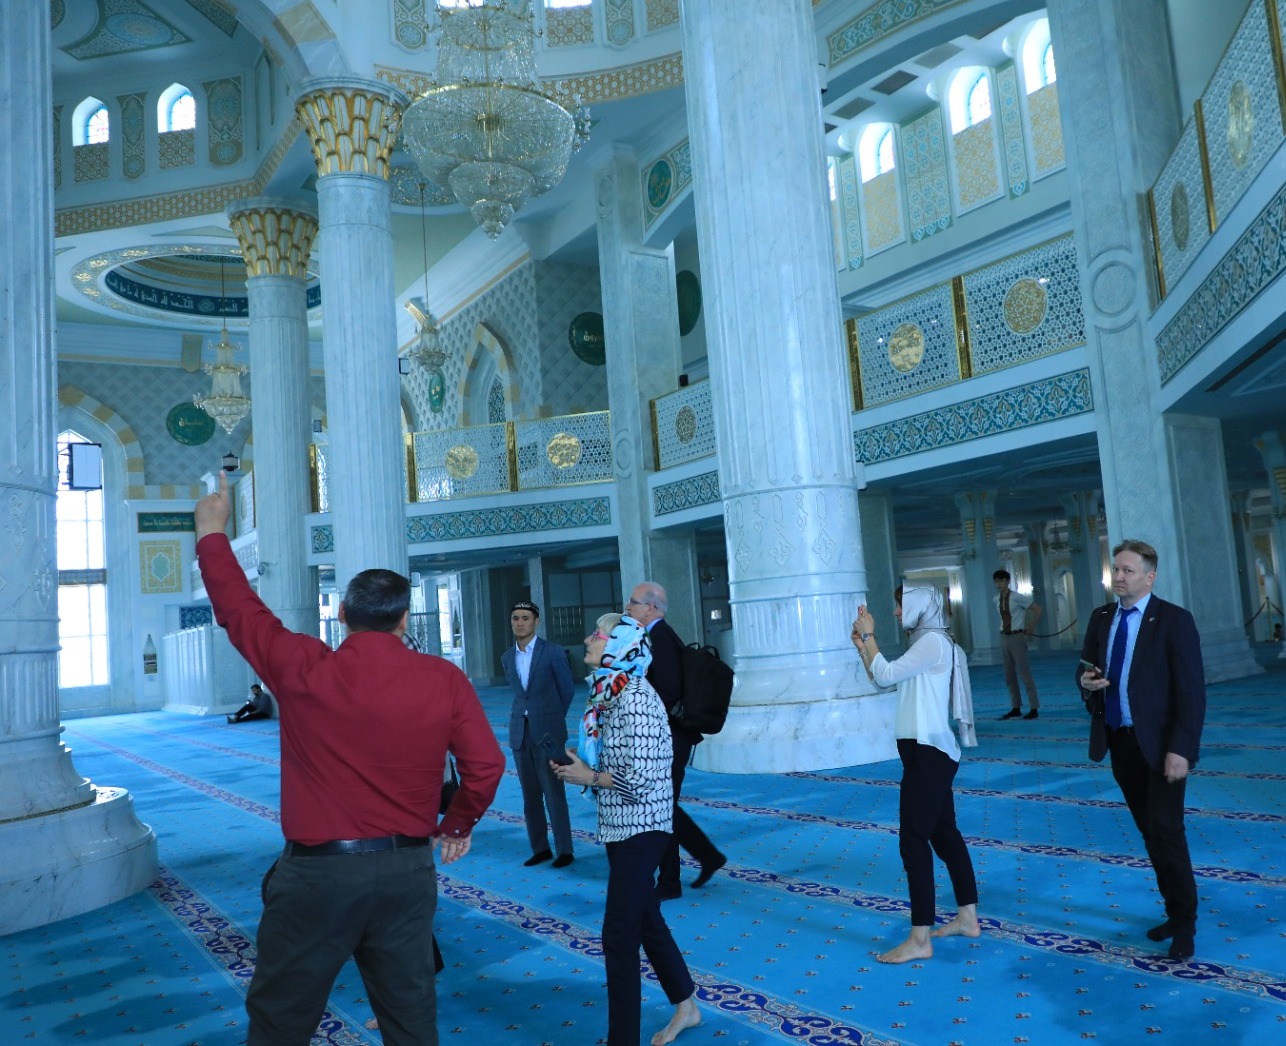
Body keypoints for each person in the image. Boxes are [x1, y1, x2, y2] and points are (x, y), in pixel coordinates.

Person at [194, 471, 506, 1045]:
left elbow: (240, 611)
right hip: (407, 873)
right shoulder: (444, 679)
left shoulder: (305, 669)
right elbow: (486, 767)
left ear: (342, 615)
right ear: (404, 618)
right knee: (411, 1021)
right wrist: (457, 825)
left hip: (318, 875)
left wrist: (212, 534)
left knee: (281, 1022)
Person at [552, 613, 700, 1046]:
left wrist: (589, 777)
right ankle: (686, 1004)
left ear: (620, 646)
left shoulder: (634, 697)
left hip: (643, 827)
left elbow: (642, 779)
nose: (588, 639)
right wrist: (582, 765)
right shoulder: (608, 692)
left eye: (598, 635)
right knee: (646, 919)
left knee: (618, 935)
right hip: (620, 824)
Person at [1077, 539, 1205, 961]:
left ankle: (1184, 924)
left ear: (1149, 577)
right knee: (1150, 832)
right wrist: (1086, 683)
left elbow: (1191, 692)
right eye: (1115, 569)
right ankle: (1173, 911)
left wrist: (1181, 749)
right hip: (1120, 742)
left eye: (1128, 570)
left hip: (1162, 747)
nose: (1118, 576)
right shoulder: (1101, 618)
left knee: (1167, 831)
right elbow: (1085, 669)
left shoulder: (1173, 620)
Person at [852, 586, 980, 964]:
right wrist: (863, 646)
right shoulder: (925, 642)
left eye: (900, 605)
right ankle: (968, 918)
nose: (896, 612)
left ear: (920, 607)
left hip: (929, 754)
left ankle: (920, 938)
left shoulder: (933, 643)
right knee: (944, 835)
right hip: (925, 752)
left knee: (913, 840)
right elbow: (884, 678)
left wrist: (870, 637)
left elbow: (887, 673)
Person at [626, 582, 726, 900]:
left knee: (661, 809)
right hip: (669, 736)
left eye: (633, 602)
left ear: (651, 607)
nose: (628, 607)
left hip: (669, 738)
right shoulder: (657, 635)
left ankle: (671, 881)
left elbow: (668, 691)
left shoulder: (660, 638)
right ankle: (703, 859)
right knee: (664, 807)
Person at [501, 599, 576, 868]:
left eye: (525, 618)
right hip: (520, 733)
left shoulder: (552, 652)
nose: (519, 623)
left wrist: (551, 719)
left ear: (536, 622)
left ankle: (564, 850)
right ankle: (540, 848)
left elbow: (567, 690)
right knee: (530, 796)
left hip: (548, 734)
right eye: (515, 618)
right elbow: (520, 695)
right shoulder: (507, 657)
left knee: (553, 793)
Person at [993, 569, 1043, 720]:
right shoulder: (996, 599)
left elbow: (1037, 609)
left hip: (1017, 637)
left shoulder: (1017, 597)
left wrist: (1031, 626)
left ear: (1007, 581)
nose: (999, 584)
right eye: (996, 581)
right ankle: (1016, 707)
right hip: (1004, 637)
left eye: (1002, 581)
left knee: (1024, 673)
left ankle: (1034, 707)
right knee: (1009, 675)